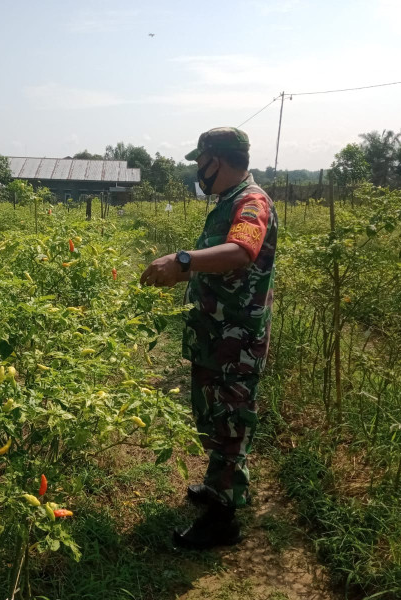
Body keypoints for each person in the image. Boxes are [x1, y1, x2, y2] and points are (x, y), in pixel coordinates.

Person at [140, 127, 278, 550]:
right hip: (216, 335)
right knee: (216, 417)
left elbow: (240, 251)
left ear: (217, 159)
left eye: (200, 162)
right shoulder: (227, 202)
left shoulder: (251, 202)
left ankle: (224, 520)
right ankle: (217, 486)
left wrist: (182, 261)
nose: (198, 171)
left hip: (237, 339)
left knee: (232, 422)